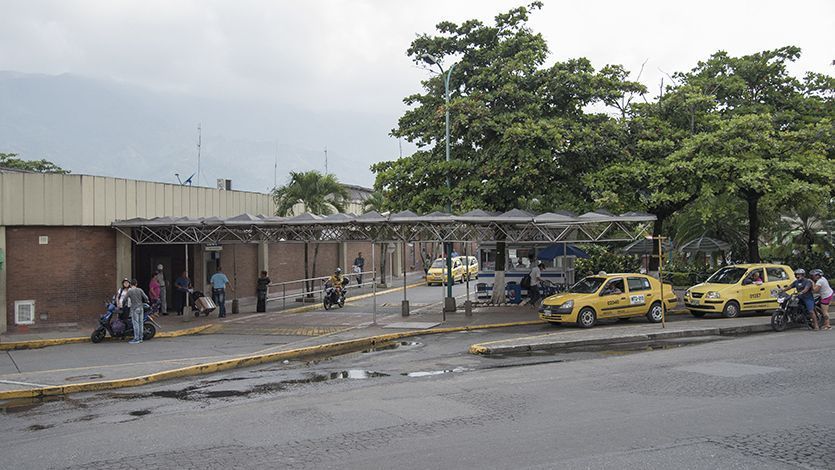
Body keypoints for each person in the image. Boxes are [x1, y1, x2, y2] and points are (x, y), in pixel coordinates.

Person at [126, 279, 149, 344]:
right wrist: (147, 301)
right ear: (136, 284)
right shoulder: (140, 290)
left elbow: (125, 299)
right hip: (141, 308)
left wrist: (122, 304)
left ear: (130, 284)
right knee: (141, 323)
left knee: (135, 323)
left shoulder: (130, 291)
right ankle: (141, 338)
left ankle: (136, 338)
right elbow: (146, 297)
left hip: (134, 308)